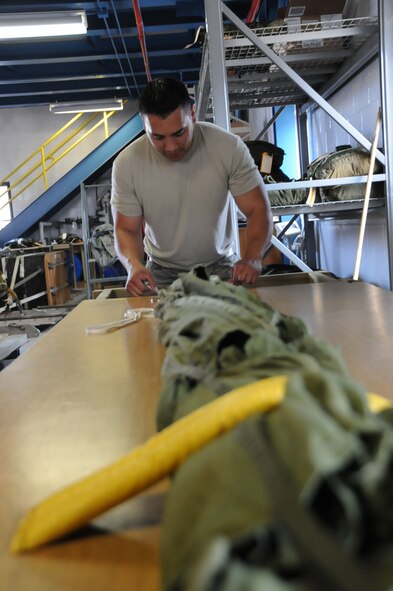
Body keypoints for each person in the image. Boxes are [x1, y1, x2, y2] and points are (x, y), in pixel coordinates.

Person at [111, 77, 273, 296]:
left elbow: (257, 210)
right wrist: (134, 266)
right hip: (161, 272)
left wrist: (253, 257)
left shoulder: (227, 148)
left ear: (193, 115)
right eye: (157, 137)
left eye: (179, 133)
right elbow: (126, 229)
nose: (170, 147)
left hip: (221, 266)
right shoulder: (127, 164)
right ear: (144, 125)